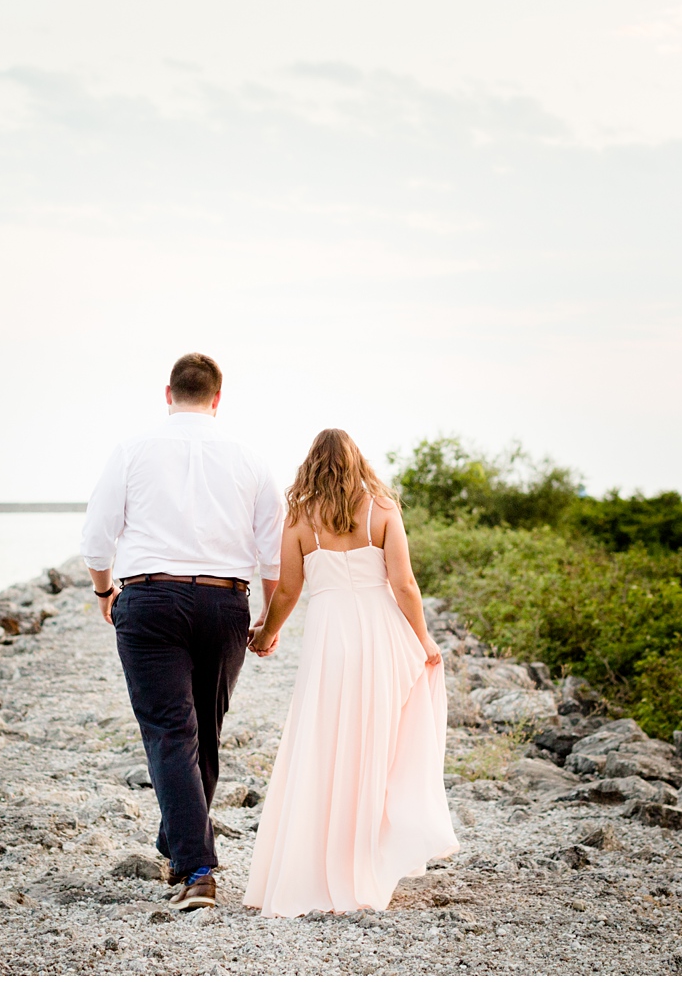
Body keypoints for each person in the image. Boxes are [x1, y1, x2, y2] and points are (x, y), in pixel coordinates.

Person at [80, 353, 282, 912]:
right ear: (218, 399)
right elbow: (274, 551)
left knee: (173, 731)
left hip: (148, 599)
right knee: (203, 731)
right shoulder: (250, 460)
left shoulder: (132, 450)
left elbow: (97, 538)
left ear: (167, 393)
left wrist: (103, 592)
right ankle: (182, 846)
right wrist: (268, 615)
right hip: (225, 601)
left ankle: (196, 867)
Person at [241, 428, 458, 916]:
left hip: (329, 640)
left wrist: (266, 633)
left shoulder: (299, 518)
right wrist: (422, 638)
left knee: (323, 744)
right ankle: (367, 862)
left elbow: (289, 591)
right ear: (358, 462)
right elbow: (402, 583)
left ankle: (318, 866)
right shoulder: (382, 509)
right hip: (381, 635)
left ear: (312, 465)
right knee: (376, 745)